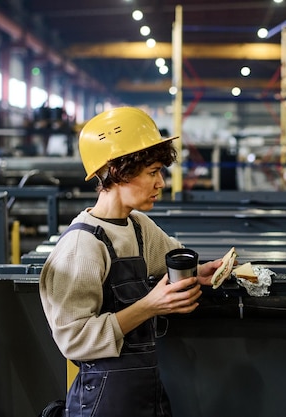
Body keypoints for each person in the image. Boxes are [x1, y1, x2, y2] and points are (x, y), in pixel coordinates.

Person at [39, 107, 226, 417]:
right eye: (152, 172)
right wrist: (150, 306)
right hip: (103, 399)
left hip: (145, 392)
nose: (161, 183)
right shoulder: (81, 246)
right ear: (117, 172)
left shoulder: (138, 226)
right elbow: (75, 341)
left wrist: (201, 272)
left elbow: (168, 257)